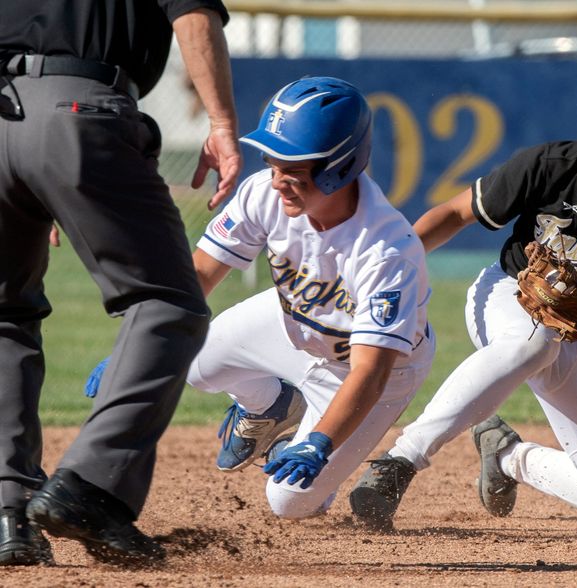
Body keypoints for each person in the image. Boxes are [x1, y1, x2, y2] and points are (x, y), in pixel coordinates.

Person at [349, 53, 577, 531]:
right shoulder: (552, 166)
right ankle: (399, 461)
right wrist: (395, 271)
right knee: (535, 340)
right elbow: (454, 215)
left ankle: (509, 457)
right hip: (507, 295)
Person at [0, 0, 241, 566]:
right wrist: (223, 124)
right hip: (79, 109)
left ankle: (8, 513)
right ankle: (90, 488)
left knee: (6, 316)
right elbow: (192, 15)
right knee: (168, 302)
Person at [185, 76, 435, 520]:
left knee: (288, 502)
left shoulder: (385, 250)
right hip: (293, 321)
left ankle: (317, 463)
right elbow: (201, 272)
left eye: (294, 169)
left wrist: (320, 443)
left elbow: (369, 373)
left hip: (368, 369)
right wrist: (144, 344)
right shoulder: (265, 191)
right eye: (272, 161)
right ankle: (272, 406)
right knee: (183, 360)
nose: (277, 179)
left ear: (339, 168)